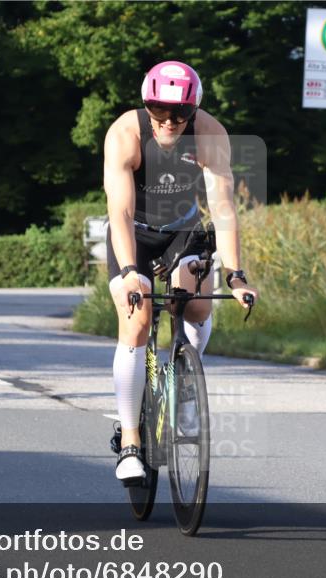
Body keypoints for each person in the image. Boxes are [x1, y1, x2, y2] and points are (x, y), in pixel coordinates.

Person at [103, 61, 259, 484]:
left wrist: (236, 276)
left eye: (179, 114)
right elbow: (118, 210)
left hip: (182, 230)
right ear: (146, 105)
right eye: (159, 111)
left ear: (193, 110)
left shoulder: (210, 134)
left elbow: (223, 208)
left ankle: (185, 387)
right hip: (133, 232)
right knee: (134, 322)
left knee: (197, 306)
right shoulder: (125, 133)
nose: (169, 122)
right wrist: (133, 271)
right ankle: (131, 442)